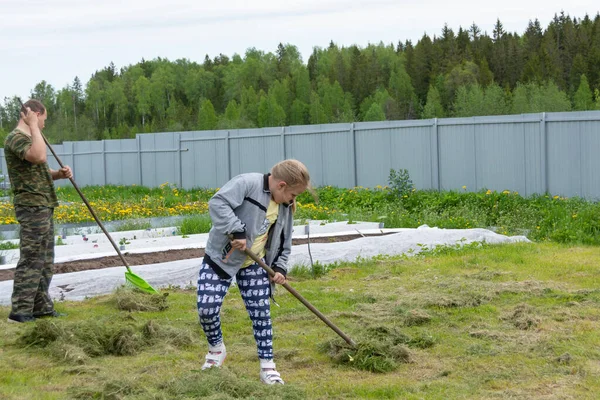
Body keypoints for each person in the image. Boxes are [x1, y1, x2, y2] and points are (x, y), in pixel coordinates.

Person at [197, 159, 312, 385]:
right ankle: (216, 350)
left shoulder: (284, 207)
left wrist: (279, 267)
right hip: (222, 258)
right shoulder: (247, 184)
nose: (293, 200)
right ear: (281, 185)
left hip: (255, 263)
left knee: (261, 313)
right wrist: (236, 229)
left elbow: (285, 240)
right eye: (293, 195)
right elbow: (217, 203)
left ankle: (268, 367)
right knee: (206, 309)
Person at [4, 99, 73, 323]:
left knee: (45, 260)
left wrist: (58, 175)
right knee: (32, 258)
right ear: (35, 114)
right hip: (31, 205)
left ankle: (41, 306)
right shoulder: (16, 138)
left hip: (43, 203)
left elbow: (39, 169)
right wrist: (33, 125)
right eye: (43, 119)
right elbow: (38, 156)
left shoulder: (32, 138)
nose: (44, 124)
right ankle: (21, 310)